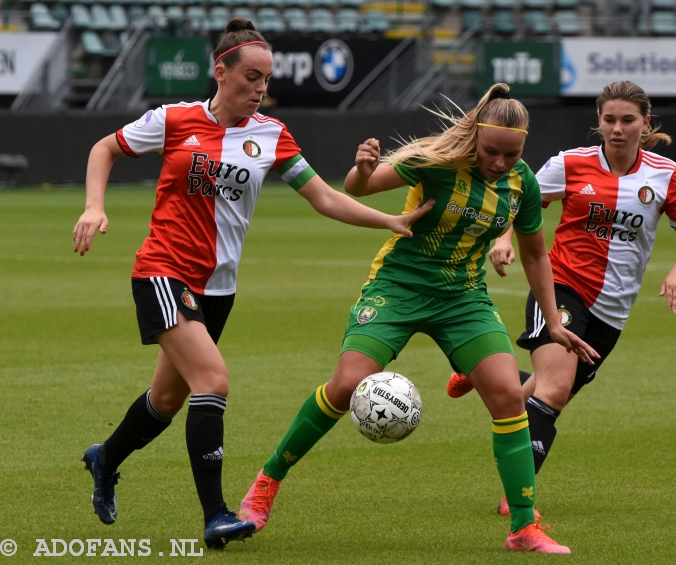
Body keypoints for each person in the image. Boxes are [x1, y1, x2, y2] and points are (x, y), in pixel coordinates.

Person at [72, 18, 434, 550]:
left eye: (266, 80)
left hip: (219, 290)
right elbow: (104, 148)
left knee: (166, 401)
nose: (261, 89)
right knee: (212, 382)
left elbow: (325, 197)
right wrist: (94, 206)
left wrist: (387, 220)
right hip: (163, 271)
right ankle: (216, 515)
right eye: (251, 78)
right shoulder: (172, 120)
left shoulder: (272, 134)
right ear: (221, 72)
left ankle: (105, 458)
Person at [237, 84, 600, 554]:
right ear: (474, 137)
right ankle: (267, 482)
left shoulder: (523, 183)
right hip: (400, 286)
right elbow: (359, 188)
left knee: (510, 396)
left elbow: (535, 255)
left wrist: (552, 323)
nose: (500, 163)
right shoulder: (436, 160)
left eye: (512, 155)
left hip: (463, 297)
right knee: (347, 386)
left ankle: (523, 529)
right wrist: (363, 168)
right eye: (491, 152)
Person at [446, 80, 676, 518]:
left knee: (545, 391)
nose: (618, 129)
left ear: (645, 122)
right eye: (609, 120)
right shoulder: (569, 164)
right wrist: (505, 238)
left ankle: (484, 374)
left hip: (613, 312)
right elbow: (517, 200)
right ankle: (518, 495)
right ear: (598, 121)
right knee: (555, 388)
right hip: (561, 287)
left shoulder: (666, 175)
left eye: (628, 120)